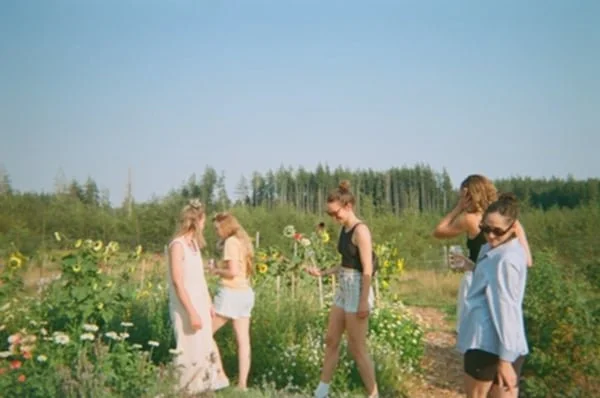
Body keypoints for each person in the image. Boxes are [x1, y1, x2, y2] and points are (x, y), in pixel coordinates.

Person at [432, 174, 532, 333]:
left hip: (475, 278)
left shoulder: (470, 219)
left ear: (469, 196)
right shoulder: (510, 221)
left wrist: (458, 207)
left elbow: (438, 231)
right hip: (504, 279)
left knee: (472, 333)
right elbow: (527, 260)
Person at [305, 180, 378, 398]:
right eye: (329, 214)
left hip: (358, 289)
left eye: (335, 213)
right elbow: (347, 263)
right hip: (344, 288)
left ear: (348, 207)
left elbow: (366, 269)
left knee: (357, 348)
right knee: (331, 339)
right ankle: (322, 391)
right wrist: (324, 272)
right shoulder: (345, 229)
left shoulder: (361, 231)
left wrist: (364, 301)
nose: (333, 218)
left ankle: (374, 394)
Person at [457, 193, 529, 398]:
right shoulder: (494, 249)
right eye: (485, 228)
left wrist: (505, 360)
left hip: (486, 342)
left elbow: (505, 307)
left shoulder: (505, 259)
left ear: (513, 228)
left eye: (497, 231)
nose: (490, 236)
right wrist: (472, 267)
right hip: (508, 343)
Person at [166, 199, 227, 394]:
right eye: (203, 221)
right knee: (188, 347)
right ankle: (184, 389)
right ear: (197, 221)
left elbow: (200, 279)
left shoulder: (194, 246)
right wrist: (191, 312)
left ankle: (203, 388)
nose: (204, 226)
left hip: (200, 302)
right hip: (185, 305)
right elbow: (177, 281)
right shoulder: (178, 245)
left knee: (203, 346)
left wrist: (209, 304)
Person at [210, 212, 255, 390]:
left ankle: (219, 374)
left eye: (217, 228)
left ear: (225, 227)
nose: (216, 232)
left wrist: (215, 270)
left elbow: (233, 272)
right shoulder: (242, 242)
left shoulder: (230, 242)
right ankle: (242, 384)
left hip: (231, 293)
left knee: (205, 332)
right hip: (245, 293)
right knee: (243, 340)